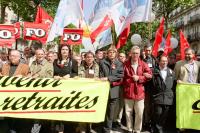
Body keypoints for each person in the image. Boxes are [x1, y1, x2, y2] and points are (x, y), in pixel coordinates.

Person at [123, 46, 152, 133]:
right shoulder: (125, 64)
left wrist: (139, 78)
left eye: (137, 53)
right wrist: (130, 80)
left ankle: (137, 130)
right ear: (130, 53)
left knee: (139, 113)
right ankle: (129, 128)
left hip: (139, 93)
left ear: (139, 54)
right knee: (128, 113)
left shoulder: (143, 64)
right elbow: (122, 77)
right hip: (128, 92)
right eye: (134, 53)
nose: (135, 55)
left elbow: (149, 76)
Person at [99, 46, 124, 133]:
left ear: (116, 53)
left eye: (113, 52)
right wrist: (103, 78)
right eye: (110, 52)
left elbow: (120, 75)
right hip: (103, 90)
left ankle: (107, 129)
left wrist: (108, 78)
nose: (111, 54)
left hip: (113, 91)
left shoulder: (119, 63)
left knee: (110, 112)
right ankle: (101, 126)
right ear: (107, 53)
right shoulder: (102, 62)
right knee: (103, 110)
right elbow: (100, 74)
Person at [151, 56, 176, 133]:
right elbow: (152, 84)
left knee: (165, 114)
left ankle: (159, 126)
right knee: (158, 113)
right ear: (159, 62)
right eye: (162, 61)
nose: (164, 62)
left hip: (168, 97)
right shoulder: (154, 71)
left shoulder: (171, 72)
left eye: (166, 61)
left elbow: (174, 83)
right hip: (158, 96)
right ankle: (157, 127)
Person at [141, 44, 157, 132]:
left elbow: (158, 71)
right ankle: (146, 122)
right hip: (144, 86)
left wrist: (151, 74)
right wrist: (144, 74)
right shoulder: (142, 60)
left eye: (149, 50)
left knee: (153, 106)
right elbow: (139, 71)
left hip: (153, 86)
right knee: (146, 106)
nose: (148, 52)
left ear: (151, 50)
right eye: (146, 50)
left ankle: (152, 123)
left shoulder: (155, 60)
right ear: (144, 50)